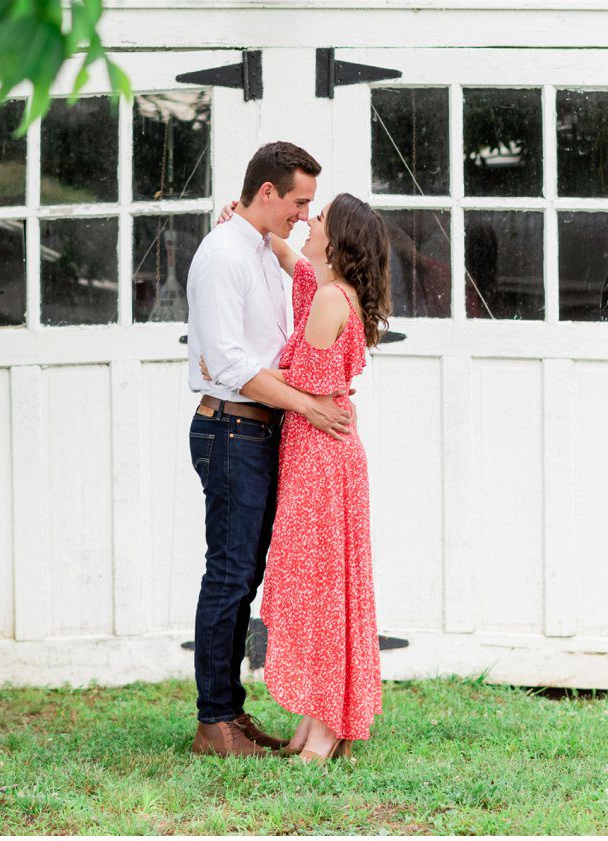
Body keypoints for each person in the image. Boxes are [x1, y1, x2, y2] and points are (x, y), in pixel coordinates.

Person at [185, 142, 354, 758]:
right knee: (229, 575)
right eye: (299, 202)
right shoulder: (224, 253)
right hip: (231, 427)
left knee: (245, 574)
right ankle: (215, 724)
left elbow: (298, 282)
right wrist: (309, 406)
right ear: (268, 193)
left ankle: (229, 712)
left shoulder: (255, 246)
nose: (305, 216)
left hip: (258, 429)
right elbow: (229, 362)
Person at [258, 193, 390, 761]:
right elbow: (298, 263)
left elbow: (301, 381)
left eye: (319, 219)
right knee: (323, 590)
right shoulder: (336, 291)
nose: (308, 223)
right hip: (322, 450)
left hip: (320, 452)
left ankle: (329, 727)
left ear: (336, 243)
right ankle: (317, 721)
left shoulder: (330, 301)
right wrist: (261, 233)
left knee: (319, 589)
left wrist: (236, 367)